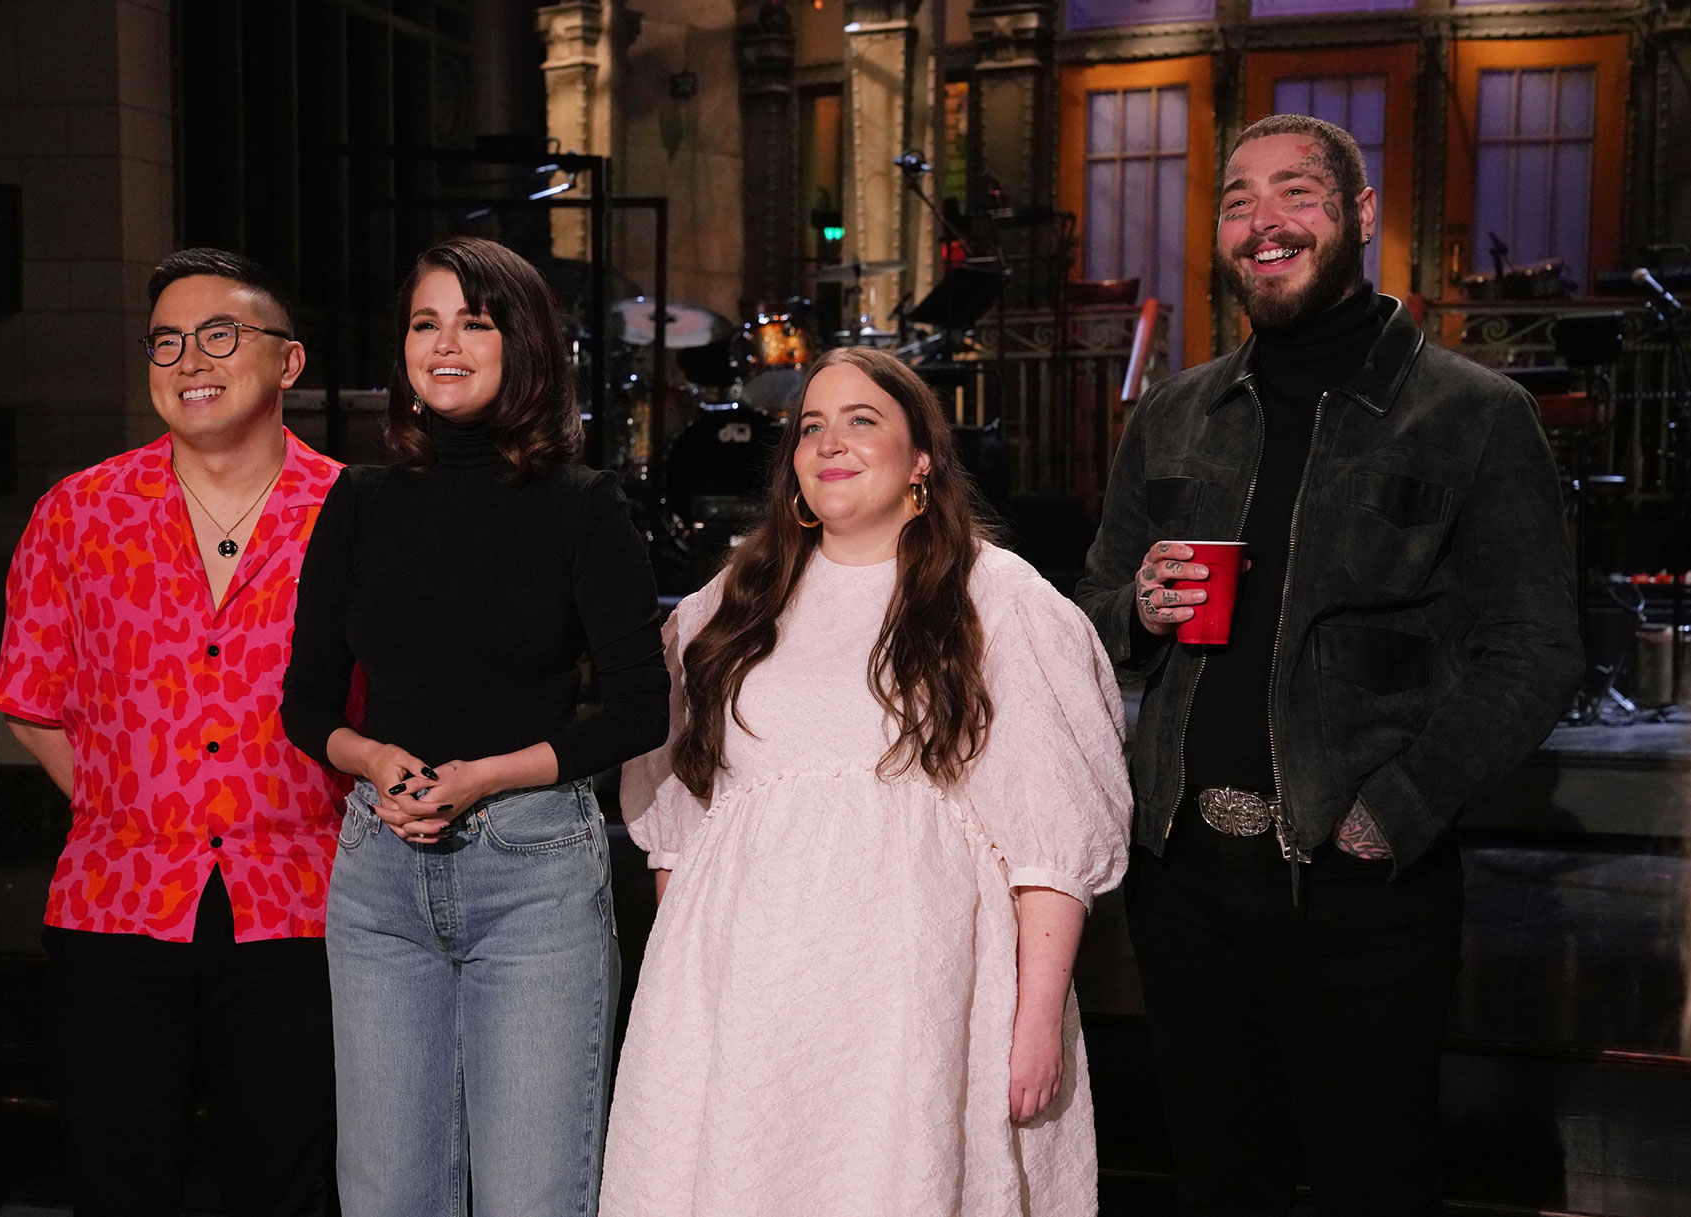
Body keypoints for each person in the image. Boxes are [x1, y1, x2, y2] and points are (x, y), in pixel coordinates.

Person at [1074, 114, 1583, 1216]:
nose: (1263, 219)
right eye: (1237, 198)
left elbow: (1536, 650)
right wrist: (1139, 611)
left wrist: (1393, 811)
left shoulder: (1472, 414)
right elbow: (1088, 617)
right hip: (1186, 883)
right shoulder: (1169, 415)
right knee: (1218, 1183)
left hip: (1363, 891)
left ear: (1356, 218)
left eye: (1295, 192)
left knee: (1375, 1183)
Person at [603, 347, 1132, 1216]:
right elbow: (678, 819)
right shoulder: (731, 604)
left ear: (920, 457)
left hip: (910, 1001)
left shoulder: (996, 599)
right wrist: (685, 1000)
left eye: (861, 421)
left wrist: (1035, 1019)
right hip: (747, 1004)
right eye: (812, 426)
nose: (830, 443)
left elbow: (1051, 840)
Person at [280, 235, 668, 1217]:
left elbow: (636, 706)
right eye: (424, 322)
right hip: (376, 877)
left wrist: (484, 776)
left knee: (531, 1194)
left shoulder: (582, 507)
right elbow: (308, 700)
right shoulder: (357, 501)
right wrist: (371, 758)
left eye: (473, 321)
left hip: (532, 878)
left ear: (523, 344)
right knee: (384, 1196)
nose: (443, 343)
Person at [0, 248, 346, 1216]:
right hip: (119, 899)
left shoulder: (357, 514)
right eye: (167, 341)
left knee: (285, 1180)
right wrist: (134, 800)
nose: (191, 358)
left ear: (289, 361)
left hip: (303, 904)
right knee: (117, 1179)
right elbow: (31, 700)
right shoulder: (79, 512)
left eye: (220, 334)